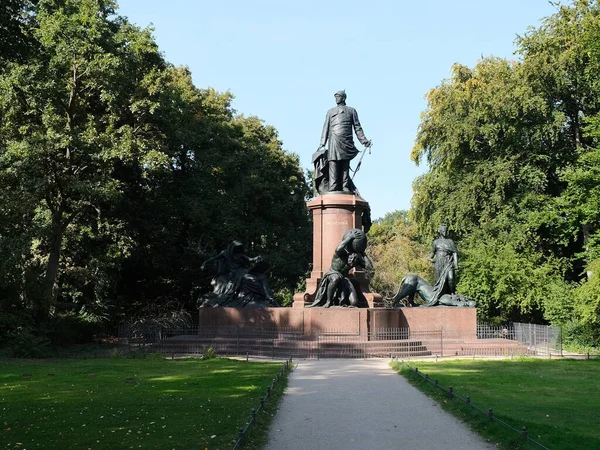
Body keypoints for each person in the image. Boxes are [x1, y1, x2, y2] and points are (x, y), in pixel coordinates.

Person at [313, 90, 372, 194]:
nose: (336, 99)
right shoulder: (330, 111)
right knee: (333, 162)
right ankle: (333, 186)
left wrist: (364, 141)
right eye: (335, 97)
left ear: (343, 98)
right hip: (334, 141)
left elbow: (357, 128)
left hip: (346, 141)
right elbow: (325, 128)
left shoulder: (351, 111)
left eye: (338, 97)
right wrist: (322, 143)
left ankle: (345, 186)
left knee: (345, 163)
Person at [200, 241, 278, 307]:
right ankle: (262, 295)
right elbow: (214, 258)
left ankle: (268, 296)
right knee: (251, 279)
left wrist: (257, 258)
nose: (238, 250)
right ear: (232, 248)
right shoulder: (225, 253)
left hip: (243, 271)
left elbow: (250, 259)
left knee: (262, 277)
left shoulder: (240, 254)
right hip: (235, 273)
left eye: (239, 248)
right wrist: (205, 263)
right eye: (236, 248)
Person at [308, 228, 372, 308]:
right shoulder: (340, 254)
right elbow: (338, 248)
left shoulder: (355, 258)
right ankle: (328, 301)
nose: (352, 261)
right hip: (332, 273)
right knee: (336, 279)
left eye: (353, 260)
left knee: (354, 302)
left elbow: (370, 268)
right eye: (350, 259)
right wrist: (349, 238)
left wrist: (363, 252)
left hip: (344, 278)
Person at [429, 224, 458, 304]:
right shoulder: (436, 242)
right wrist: (430, 258)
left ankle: (452, 292)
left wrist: (455, 263)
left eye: (446, 231)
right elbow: (433, 251)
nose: (445, 233)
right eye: (443, 231)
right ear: (440, 232)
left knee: (451, 278)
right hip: (439, 262)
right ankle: (440, 297)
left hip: (448, 262)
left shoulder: (450, 241)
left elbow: (454, 252)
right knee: (439, 280)